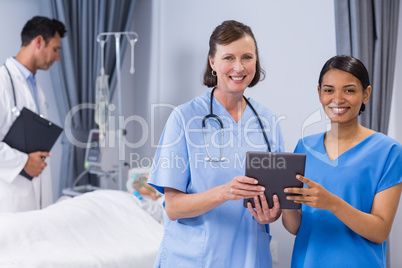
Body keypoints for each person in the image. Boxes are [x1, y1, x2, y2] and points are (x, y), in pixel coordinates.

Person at [147, 20, 284, 267]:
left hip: (250, 256)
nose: (239, 67)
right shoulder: (184, 118)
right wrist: (224, 192)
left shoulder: (268, 122)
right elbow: (174, 207)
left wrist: (272, 214)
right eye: (228, 57)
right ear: (212, 62)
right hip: (196, 258)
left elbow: (276, 199)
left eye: (247, 57)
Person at [282, 55, 402, 267]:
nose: (337, 98)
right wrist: (283, 203)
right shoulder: (304, 147)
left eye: (349, 90)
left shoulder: (388, 151)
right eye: (329, 90)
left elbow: (380, 231)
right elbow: (296, 227)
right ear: (319, 93)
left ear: (366, 94)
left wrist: (331, 203)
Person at [0, 16, 67, 213]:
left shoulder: (34, 86)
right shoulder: (3, 83)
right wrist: (23, 162)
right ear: (38, 42)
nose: (57, 58)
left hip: (34, 198)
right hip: (9, 200)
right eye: (55, 49)